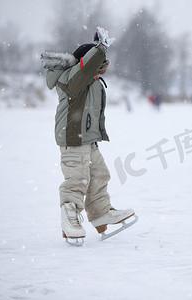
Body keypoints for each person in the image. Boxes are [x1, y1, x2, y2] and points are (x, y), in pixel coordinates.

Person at [41, 27, 135, 245]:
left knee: (99, 175)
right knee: (76, 181)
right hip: (73, 140)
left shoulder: (90, 80)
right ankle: (69, 219)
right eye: (97, 68)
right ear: (85, 63)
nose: (99, 73)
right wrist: (99, 48)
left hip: (88, 141)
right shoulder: (71, 79)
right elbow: (85, 69)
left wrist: (98, 55)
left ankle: (101, 212)